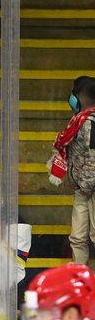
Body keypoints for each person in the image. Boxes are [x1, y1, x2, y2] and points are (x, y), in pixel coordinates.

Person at [48, 76, 95, 266]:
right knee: (77, 237)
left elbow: (93, 157)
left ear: (80, 97)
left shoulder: (91, 123)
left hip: (90, 187)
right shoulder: (78, 122)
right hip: (82, 189)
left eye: (73, 93)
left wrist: (86, 184)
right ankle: (79, 278)